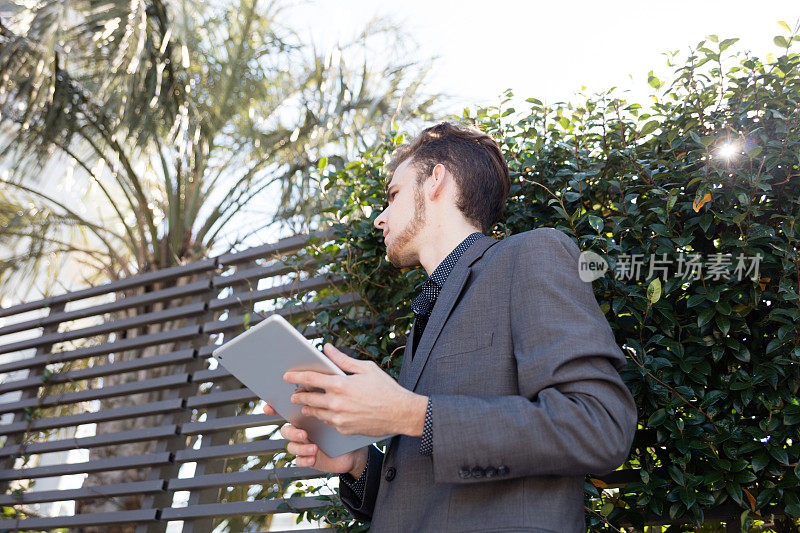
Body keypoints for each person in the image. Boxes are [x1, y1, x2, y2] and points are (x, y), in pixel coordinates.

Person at [263, 121, 638, 532]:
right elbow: (426, 490)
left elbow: (599, 425)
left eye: (392, 195)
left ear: (435, 180)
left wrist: (410, 414)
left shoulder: (533, 254)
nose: (380, 219)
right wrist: (355, 464)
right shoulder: (426, 314)